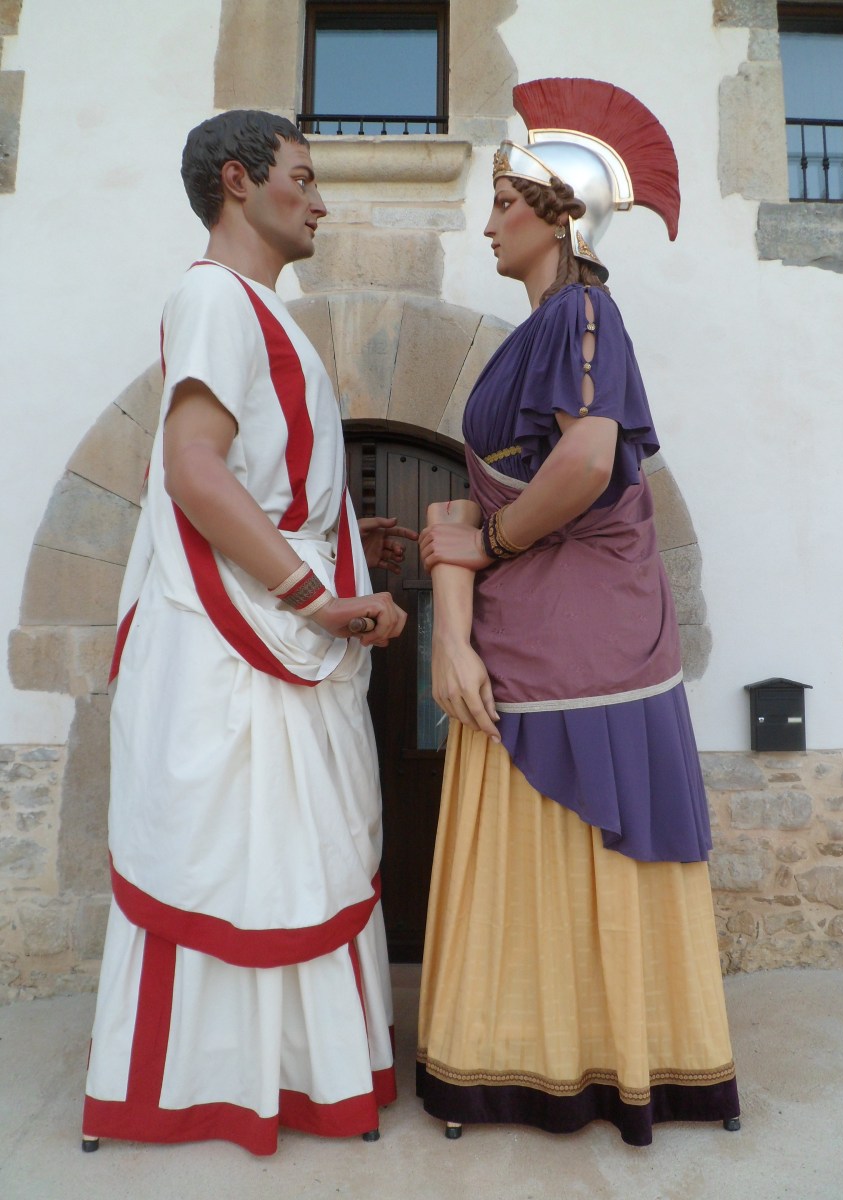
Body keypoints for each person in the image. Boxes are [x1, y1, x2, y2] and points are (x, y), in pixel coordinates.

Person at [82, 110, 415, 1156]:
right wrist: (316, 594)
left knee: (285, 855)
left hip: (260, 631)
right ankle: (225, 1089)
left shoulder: (255, 308)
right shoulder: (214, 297)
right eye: (302, 179)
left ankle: (283, 1077)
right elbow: (194, 468)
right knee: (252, 856)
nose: (319, 202)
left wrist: (343, 539)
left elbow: (253, 479)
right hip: (238, 651)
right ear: (239, 180)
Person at [416, 78, 740, 1147]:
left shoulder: (583, 313)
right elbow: (496, 490)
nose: (489, 222)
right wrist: (461, 589)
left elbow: (590, 458)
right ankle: (523, 1056)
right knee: (531, 841)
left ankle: (593, 1062)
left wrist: (494, 544)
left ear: (560, 216)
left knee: (563, 836)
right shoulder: (547, 326)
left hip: (583, 620)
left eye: (506, 201)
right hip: (534, 613)